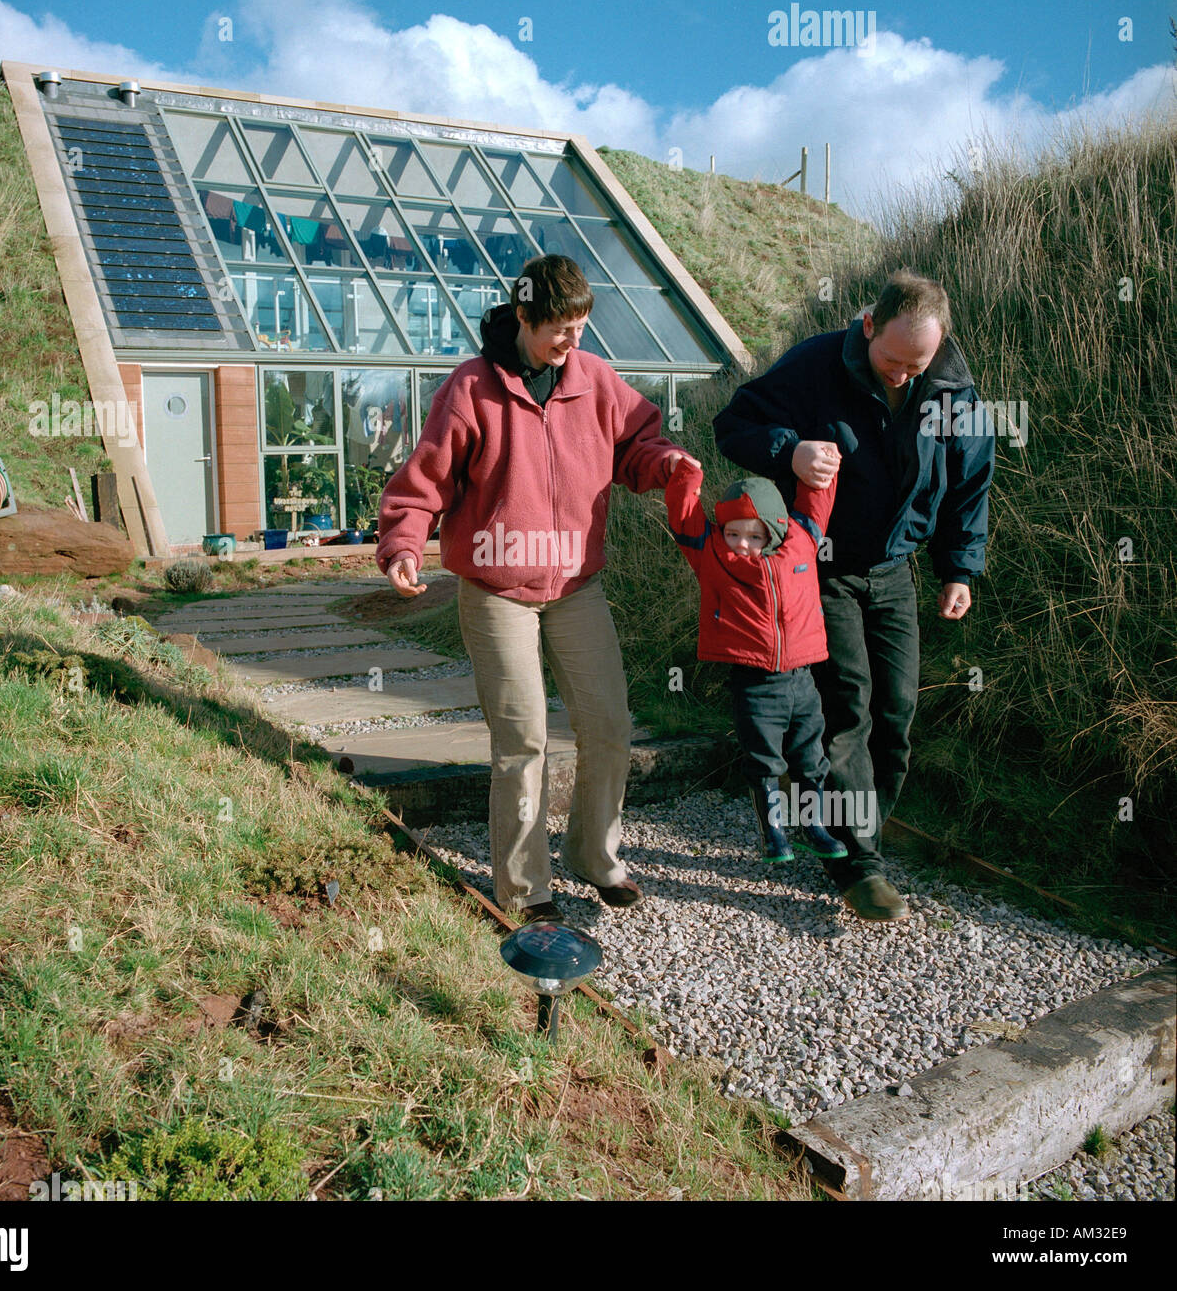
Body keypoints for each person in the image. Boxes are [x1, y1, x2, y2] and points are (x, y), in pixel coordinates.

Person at [376, 255, 696, 922]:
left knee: (610, 726)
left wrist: (663, 463)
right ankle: (526, 887)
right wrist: (403, 544)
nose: (571, 342)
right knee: (523, 740)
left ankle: (595, 856)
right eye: (557, 328)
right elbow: (425, 479)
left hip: (576, 584)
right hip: (496, 588)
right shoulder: (471, 389)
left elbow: (636, 446)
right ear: (522, 317)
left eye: (580, 326)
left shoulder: (598, 381)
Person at [713, 270, 995, 921]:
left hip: (895, 572)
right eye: (892, 361)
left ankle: (850, 835)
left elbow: (969, 484)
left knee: (895, 717)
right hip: (825, 571)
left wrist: (959, 569)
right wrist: (790, 451)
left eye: (915, 365)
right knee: (848, 711)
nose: (901, 375)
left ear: (940, 345)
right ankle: (857, 865)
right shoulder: (815, 365)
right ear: (868, 326)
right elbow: (735, 424)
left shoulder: (953, 392)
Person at [664, 457, 849, 864]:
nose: (742, 544)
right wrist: (688, 474)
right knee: (764, 759)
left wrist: (822, 461)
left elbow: (818, 499)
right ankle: (773, 834)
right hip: (755, 683)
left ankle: (813, 825)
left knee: (809, 757)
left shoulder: (801, 540)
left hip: (803, 678)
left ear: (776, 530)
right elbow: (682, 515)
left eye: (754, 534)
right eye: (733, 533)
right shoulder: (712, 554)